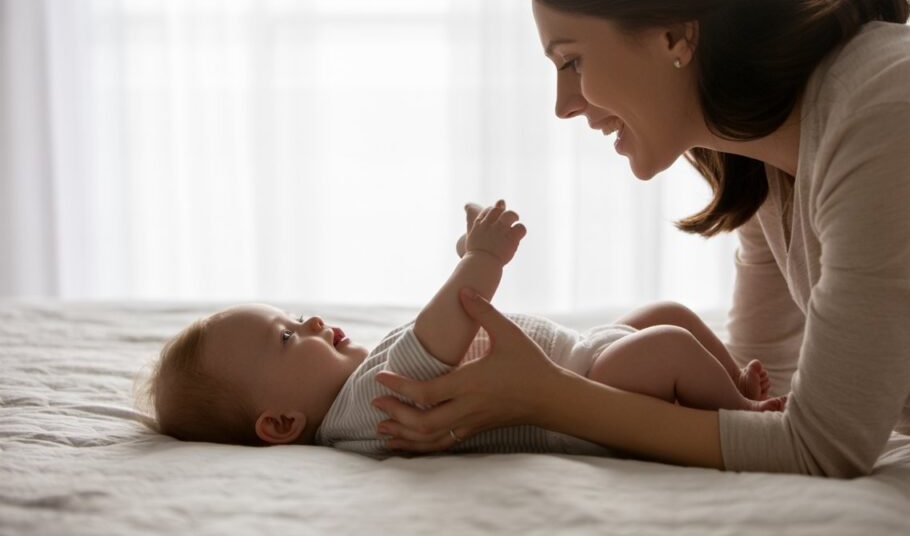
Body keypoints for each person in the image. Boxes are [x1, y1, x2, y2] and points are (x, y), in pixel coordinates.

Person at [369, 0, 910, 477]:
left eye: (572, 61)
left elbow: (821, 446)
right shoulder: (772, 155)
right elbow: (769, 401)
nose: (564, 105)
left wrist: (549, 395)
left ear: (676, 34)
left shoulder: (888, 120)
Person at [143, 200, 784, 453]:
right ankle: (745, 417)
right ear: (280, 423)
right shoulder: (365, 409)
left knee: (668, 314)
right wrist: (479, 260)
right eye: (286, 337)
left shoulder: (362, 384)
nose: (310, 320)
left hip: (582, 356)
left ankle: (735, 384)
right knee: (668, 344)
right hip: (589, 387)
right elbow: (439, 332)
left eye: (291, 316)